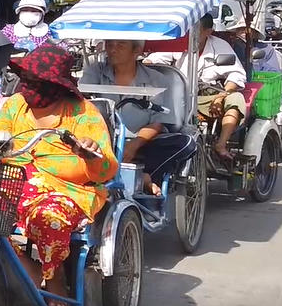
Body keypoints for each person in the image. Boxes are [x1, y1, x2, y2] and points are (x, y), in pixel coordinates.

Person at [0, 44, 117, 306]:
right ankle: (26, 268)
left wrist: (90, 154)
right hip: (14, 181)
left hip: (66, 190)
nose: (28, 88)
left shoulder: (83, 113)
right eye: (26, 81)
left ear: (57, 86)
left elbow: (106, 169)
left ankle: (55, 277)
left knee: (50, 219)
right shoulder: (14, 106)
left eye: (37, 83)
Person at [80, 40, 198, 195]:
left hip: (142, 141)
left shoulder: (157, 79)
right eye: (110, 45)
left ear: (136, 51)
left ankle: (146, 178)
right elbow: (83, 100)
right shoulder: (95, 71)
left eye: (120, 45)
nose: (113, 50)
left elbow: (159, 121)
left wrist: (134, 145)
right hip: (101, 137)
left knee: (185, 143)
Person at [146, 14, 247, 160]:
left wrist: (221, 96)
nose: (190, 34)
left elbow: (236, 75)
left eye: (195, 30)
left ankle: (221, 144)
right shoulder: (178, 43)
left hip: (210, 95)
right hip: (181, 93)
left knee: (236, 99)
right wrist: (145, 63)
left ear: (208, 31)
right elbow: (155, 59)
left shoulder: (220, 46)